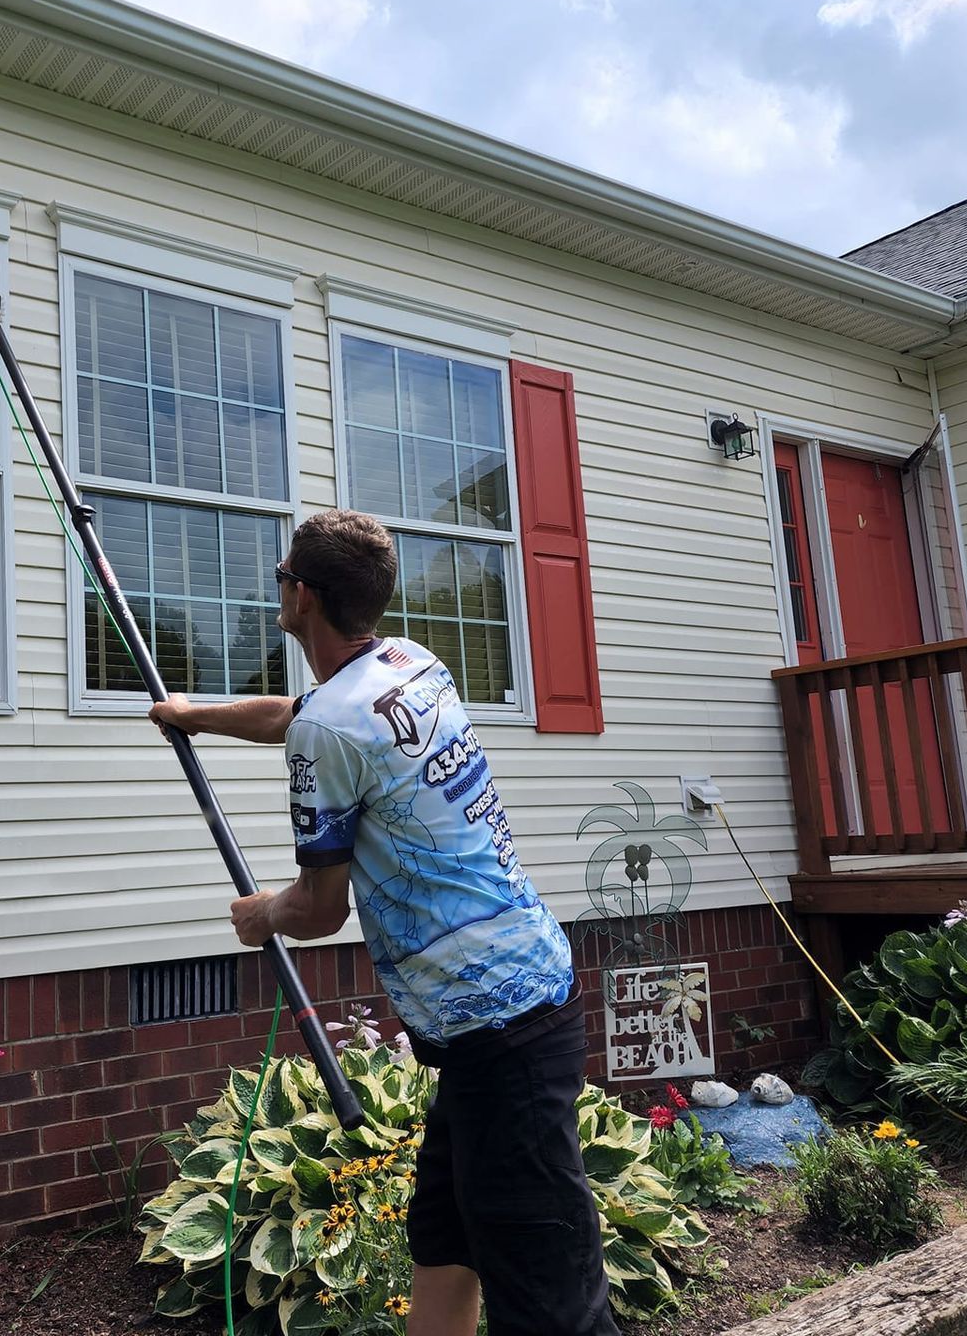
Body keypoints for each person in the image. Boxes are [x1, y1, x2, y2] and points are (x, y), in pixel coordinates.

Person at [150, 508, 620, 1336]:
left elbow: (318, 909)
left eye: (281, 577)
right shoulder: (407, 662)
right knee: (445, 1238)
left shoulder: (333, 726)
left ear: (303, 597)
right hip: (505, 1007)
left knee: (551, 1304)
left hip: (499, 1025)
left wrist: (262, 914)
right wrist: (192, 715)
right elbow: (298, 715)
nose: (278, 588)